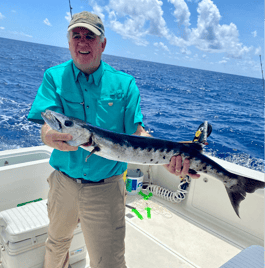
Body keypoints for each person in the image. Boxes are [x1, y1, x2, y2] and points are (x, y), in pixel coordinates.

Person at [28, 11, 199, 268]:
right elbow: (46, 126)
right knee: (56, 244)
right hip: (63, 183)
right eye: (76, 35)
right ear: (68, 40)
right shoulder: (54, 76)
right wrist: (50, 137)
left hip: (106, 188)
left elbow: (138, 134)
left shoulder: (125, 84)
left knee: (109, 261)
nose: (82, 42)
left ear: (103, 43)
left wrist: (166, 158)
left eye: (90, 36)